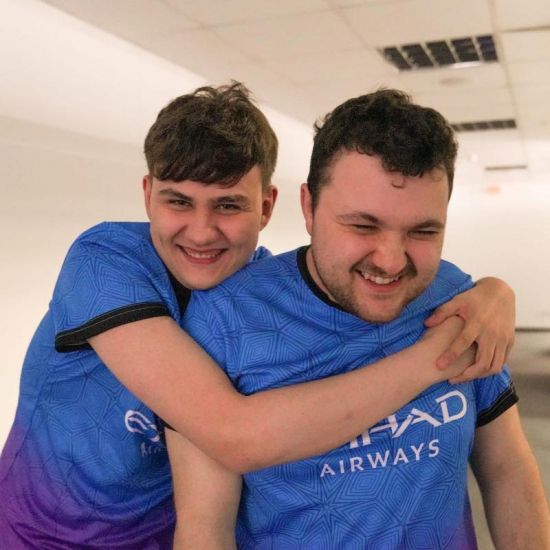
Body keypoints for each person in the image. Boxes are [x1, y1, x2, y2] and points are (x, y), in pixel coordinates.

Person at [0, 83, 515, 549]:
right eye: (179, 201)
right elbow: (235, 435)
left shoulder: (258, 304)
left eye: (228, 206)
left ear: (267, 208)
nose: (201, 232)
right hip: (43, 537)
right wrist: (438, 355)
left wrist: (494, 292)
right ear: (148, 196)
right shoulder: (104, 262)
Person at [168, 89, 550, 549]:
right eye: (363, 226)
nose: (391, 260)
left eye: (423, 231)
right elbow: (205, 527)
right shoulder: (226, 319)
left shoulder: (456, 298)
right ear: (309, 207)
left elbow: (506, 467)